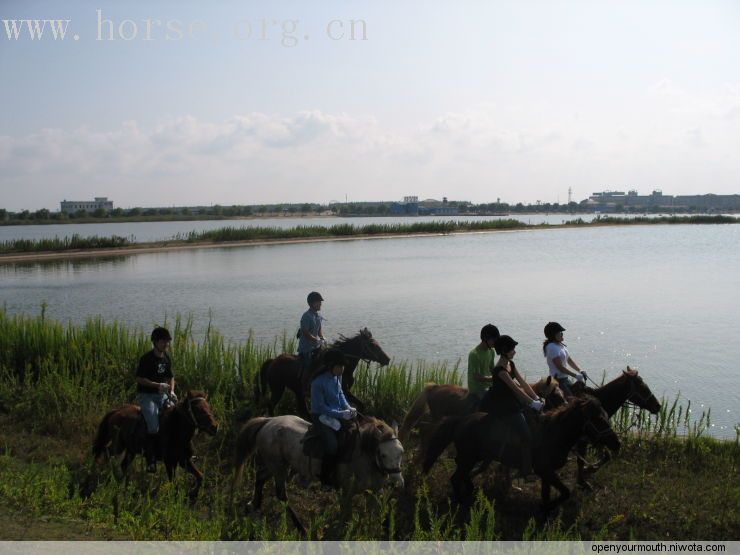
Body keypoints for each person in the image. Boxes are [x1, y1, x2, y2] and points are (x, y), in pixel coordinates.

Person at [479, 335, 543, 480]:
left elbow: (523, 383)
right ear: (504, 350)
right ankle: (526, 472)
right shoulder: (499, 370)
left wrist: (536, 398)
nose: (515, 351)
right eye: (512, 349)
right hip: (504, 407)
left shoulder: (511, 364)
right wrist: (531, 403)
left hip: (514, 402)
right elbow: (516, 389)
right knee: (526, 436)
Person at [309, 348, 357, 488]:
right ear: (331, 366)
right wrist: (341, 414)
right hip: (321, 417)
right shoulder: (317, 383)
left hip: (336, 413)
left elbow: (340, 394)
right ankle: (324, 478)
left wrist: (348, 407)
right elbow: (321, 407)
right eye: (340, 366)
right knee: (332, 446)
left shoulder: (337, 377)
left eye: (343, 366)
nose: (343, 369)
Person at [135, 326, 175, 473]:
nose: (166, 344)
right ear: (155, 342)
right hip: (147, 396)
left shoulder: (166, 358)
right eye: (163, 341)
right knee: (153, 424)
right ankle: (150, 459)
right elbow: (139, 378)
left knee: (177, 415)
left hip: (162, 395)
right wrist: (157, 385)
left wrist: (172, 390)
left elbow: (171, 377)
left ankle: (178, 451)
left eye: (167, 341)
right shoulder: (146, 359)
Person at [543, 322, 588, 399]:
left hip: (565, 379)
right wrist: (575, 375)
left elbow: (569, 360)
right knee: (571, 401)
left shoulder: (560, 345)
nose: (562, 334)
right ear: (554, 335)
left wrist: (580, 370)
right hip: (558, 381)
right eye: (560, 333)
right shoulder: (552, 347)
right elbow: (560, 367)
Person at [298, 291, 326, 389]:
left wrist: (322, 338)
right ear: (312, 303)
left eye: (320, 302)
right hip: (307, 348)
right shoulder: (306, 316)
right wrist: (316, 340)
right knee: (309, 366)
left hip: (316, 346)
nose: (320, 304)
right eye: (319, 302)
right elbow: (305, 333)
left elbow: (319, 330)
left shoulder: (318, 316)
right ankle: (304, 385)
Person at [467, 324, 500, 402]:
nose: (496, 343)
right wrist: (493, 378)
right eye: (494, 340)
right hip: (477, 389)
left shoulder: (491, 351)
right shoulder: (474, 354)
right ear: (485, 338)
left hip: (488, 385)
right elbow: (477, 377)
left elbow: (492, 369)